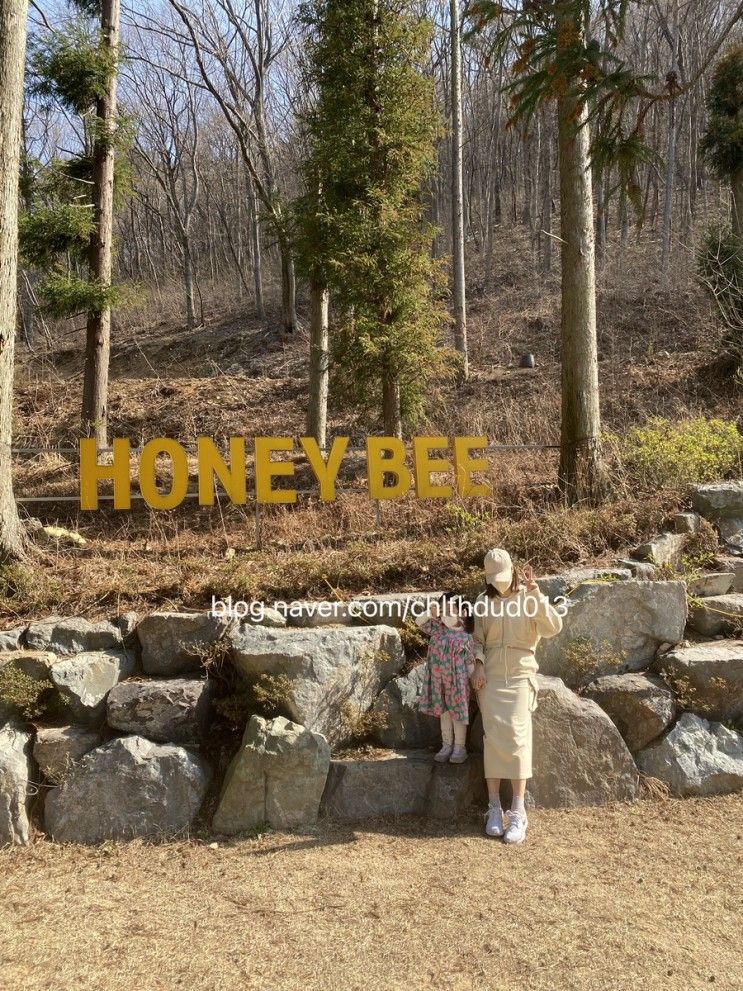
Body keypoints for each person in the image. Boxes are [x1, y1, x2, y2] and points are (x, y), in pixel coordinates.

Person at [471, 548, 563, 844]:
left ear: (512, 570)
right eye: (493, 577)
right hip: (491, 678)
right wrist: (478, 666)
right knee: (493, 739)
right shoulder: (483, 602)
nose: (498, 582)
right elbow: (477, 640)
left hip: (522, 675)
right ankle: (494, 807)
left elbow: (552, 628)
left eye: (502, 575)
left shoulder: (529, 596)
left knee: (518, 738)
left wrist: (537, 597)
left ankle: (519, 810)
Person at [415, 591, 477, 764]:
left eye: (450, 610)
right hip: (438, 681)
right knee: (444, 713)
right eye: (443, 610)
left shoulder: (465, 637)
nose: (445, 614)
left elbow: (469, 659)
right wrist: (431, 613)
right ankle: (446, 744)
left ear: (462, 612)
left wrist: (473, 679)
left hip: (458, 682)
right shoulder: (437, 629)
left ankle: (459, 747)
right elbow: (419, 621)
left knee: (458, 714)